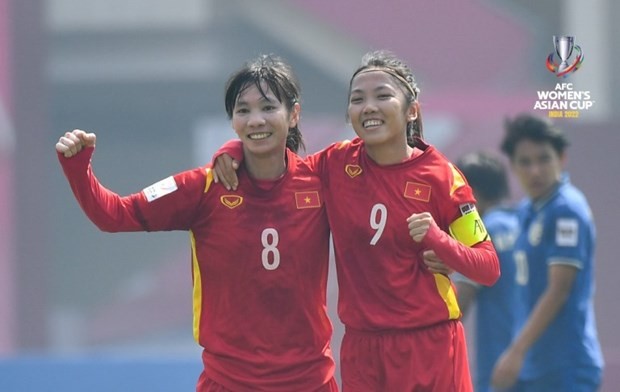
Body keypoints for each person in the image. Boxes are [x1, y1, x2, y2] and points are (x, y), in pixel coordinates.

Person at [213, 50, 500, 391]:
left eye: (383, 96)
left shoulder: (443, 177)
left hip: (430, 344)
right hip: (362, 351)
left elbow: (488, 267)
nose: (369, 107)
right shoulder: (335, 163)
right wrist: (231, 149)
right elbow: (280, 167)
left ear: (411, 110)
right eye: (357, 99)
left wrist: (442, 241)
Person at [56, 55, 339, 392]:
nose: (255, 120)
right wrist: (78, 169)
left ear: (293, 115)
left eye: (267, 107)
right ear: (232, 122)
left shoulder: (321, 180)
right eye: (243, 110)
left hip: (309, 383)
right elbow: (114, 215)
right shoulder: (202, 187)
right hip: (229, 383)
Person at [491, 113, 604, 391]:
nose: (535, 171)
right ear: (513, 167)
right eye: (525, 162)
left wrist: (516, 351)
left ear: (561, 159)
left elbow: (559, 290)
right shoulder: (528, 210)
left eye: (544, 159)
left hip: (567, 367)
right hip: (534, 365)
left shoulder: (566, 210)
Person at [451, 151, 521, 392]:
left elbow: (460, 305)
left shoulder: (481, 234)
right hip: (537, 362)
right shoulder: (525, 223)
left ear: (472, 193)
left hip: (499, 366)